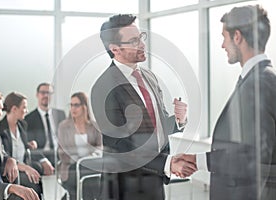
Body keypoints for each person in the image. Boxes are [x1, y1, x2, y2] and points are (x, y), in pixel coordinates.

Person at [90, 14, 196, 200]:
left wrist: (178, 120)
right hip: (123, 187)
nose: (142, 44)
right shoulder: (103, 88)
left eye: (141, 37)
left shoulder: (149, 77)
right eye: (133, 41)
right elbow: (121, 146)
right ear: (115, 49)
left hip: (153, 180)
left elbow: (157, 125)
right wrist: (167, 163)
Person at [178, 5, 276, 200]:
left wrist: (200, 161)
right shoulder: (262, 78)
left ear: (237, 37)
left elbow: (252, 158)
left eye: (224, 37)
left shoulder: (257, 85)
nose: (223, 45)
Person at [0, 88, 39, 200]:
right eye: (1, 109)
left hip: (1, 193)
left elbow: (2, 155)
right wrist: (10, 188)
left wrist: (11, 160)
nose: (2, 113)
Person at [0, 92, 43, 197]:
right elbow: (4, 156)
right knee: (32, 180)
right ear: (14, 109)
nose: (26, 111)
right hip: (10, 171)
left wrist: (29, 144)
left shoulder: (22, 125)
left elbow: (22, 145)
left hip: (23, 165)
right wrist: (26, 168)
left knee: (37, 171)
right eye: (24, 107)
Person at [58, 92, 102, 200]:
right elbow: (62, 152)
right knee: (86, 181)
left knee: (91, 179)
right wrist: (78, 161)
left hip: (91, 166)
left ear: (84, 107)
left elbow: (101, 147)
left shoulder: (94, 126)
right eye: (71, 105)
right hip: (71, 168)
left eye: (76, 105)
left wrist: (90, 157)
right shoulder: (64, 126)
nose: (73, 108)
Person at [25, 82, 66, 173]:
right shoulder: (29, 119)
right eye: (43, 92)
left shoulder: (60, 114)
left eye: (49, 93)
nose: (46, 95)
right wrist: (42, 160)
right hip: (41, 156)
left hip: (59, 155)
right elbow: (30, 145)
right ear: (37, 94)